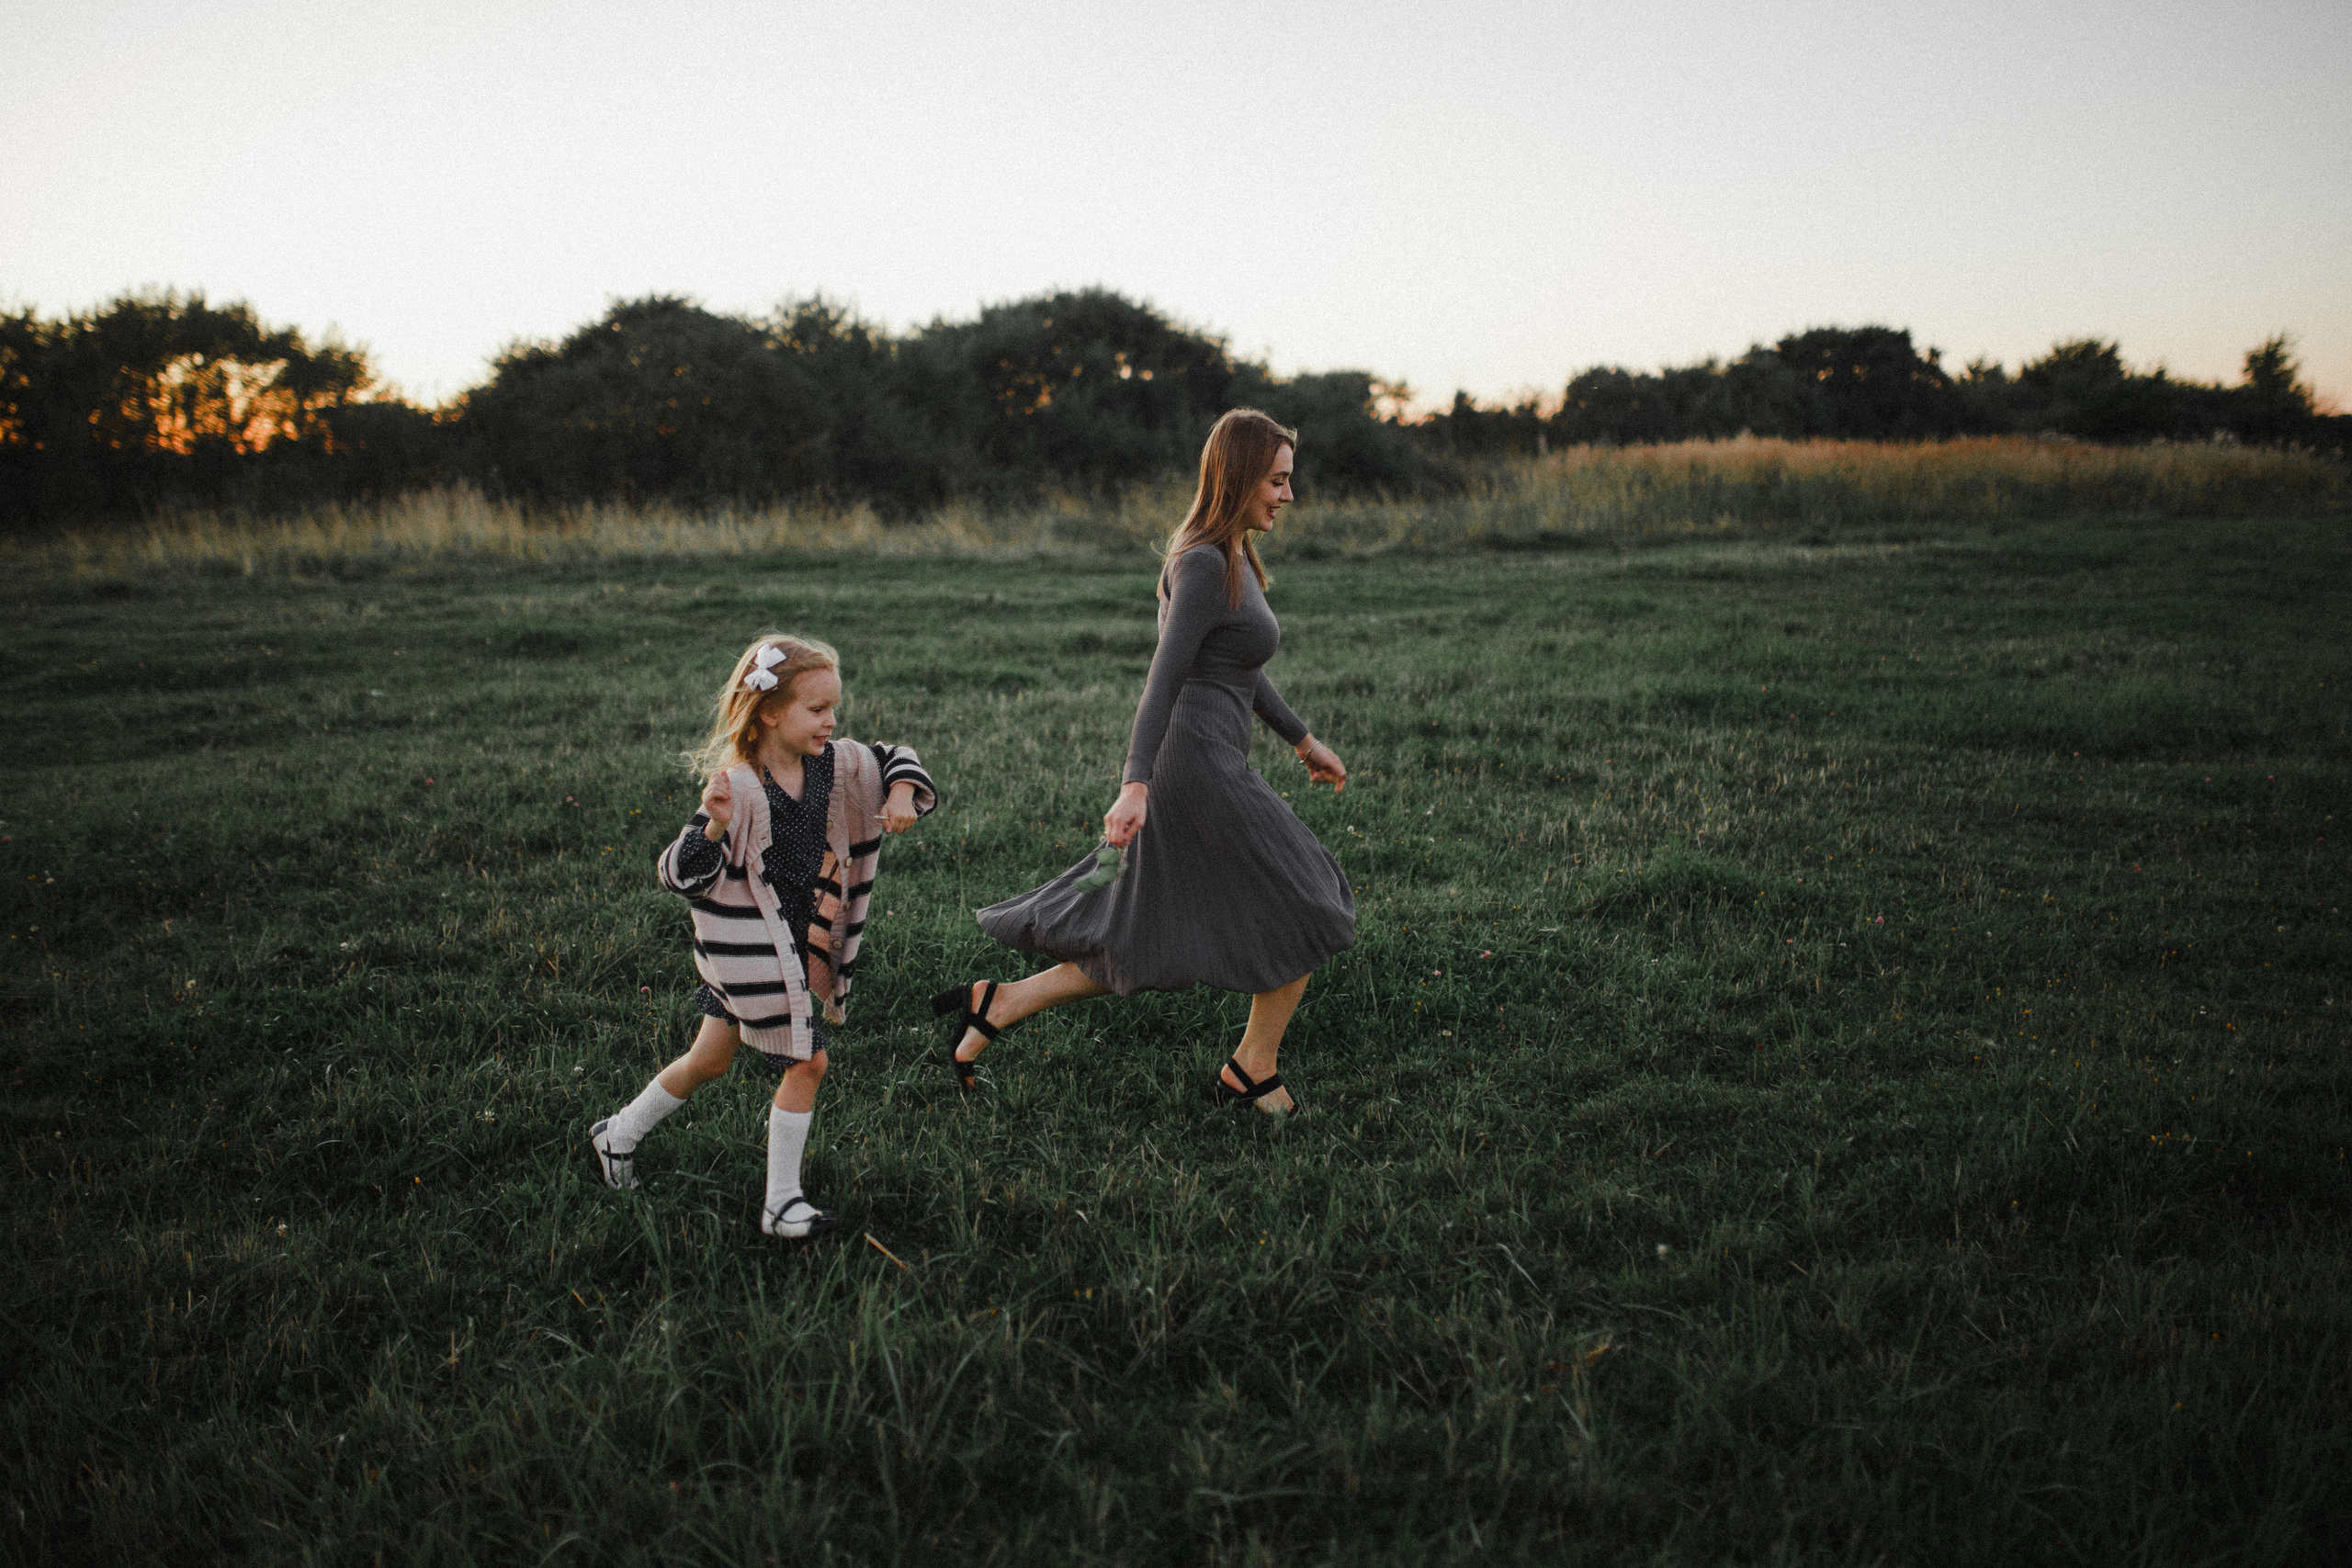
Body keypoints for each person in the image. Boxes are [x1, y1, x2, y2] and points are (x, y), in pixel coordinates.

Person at [938, 410, 1352, 1114]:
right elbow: (1165, 678)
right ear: (1242, 476)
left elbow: (1238, 668)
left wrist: (1302, 739)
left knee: (1148, 924)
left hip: (1209, 758)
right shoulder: (1200, 560)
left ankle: (1000, 1003)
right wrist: (1136, 783)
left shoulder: (1234, 555)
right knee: (1309, 900)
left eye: (1289, 481)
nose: (1288, 495)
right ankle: (1252, 1069)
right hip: (1195, 766)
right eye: (1278, 481)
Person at [591, 634, 936, 1237]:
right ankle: (782, 1204)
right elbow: (679, 872)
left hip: (791, 944)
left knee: (708, 1060)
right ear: (770, 712)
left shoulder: (829, 763)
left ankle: (616, 1135)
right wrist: (716, 824)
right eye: (816, 709)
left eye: (834, 707)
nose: (831, 720)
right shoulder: (740, 785)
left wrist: (903, 790)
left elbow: (889, 757)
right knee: (809, 1061)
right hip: (751, 953)